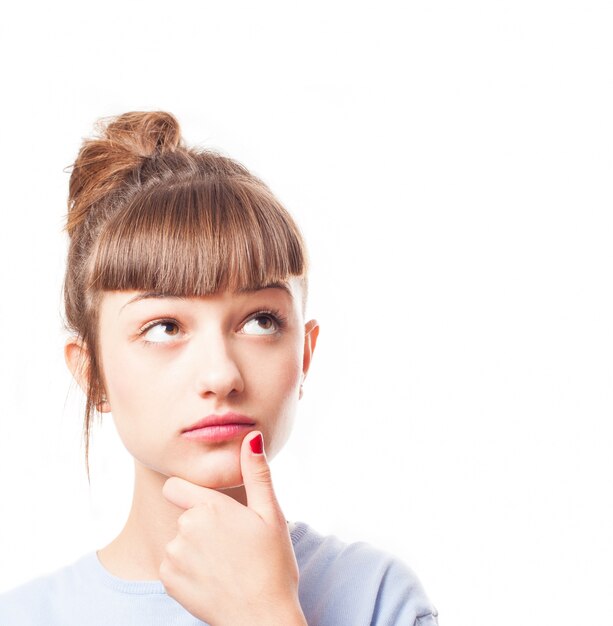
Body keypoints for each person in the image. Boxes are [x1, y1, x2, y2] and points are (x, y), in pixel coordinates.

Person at [0, 111, 439, 625]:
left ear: (305, 354)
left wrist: (267, 614)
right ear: (92, 373)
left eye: (259, 321)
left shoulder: (376, 599)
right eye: (164, 327)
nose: (221, 375)